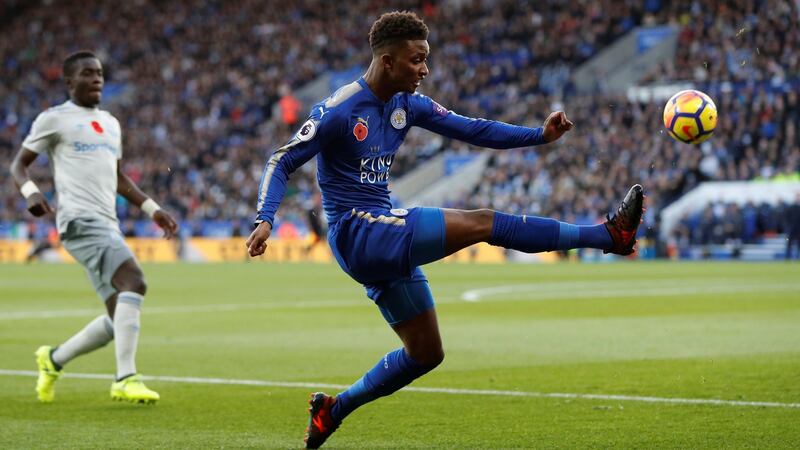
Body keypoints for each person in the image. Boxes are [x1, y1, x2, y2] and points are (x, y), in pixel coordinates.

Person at [246, 11, 644, 448]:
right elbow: (281, 159)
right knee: (484, 222)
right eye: (417, 60)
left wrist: (539, 136)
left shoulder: (407, 105)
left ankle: (333, 410)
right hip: (358, 231)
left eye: (425, 59)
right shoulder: (339, 110)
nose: (425, 69)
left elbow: (474, 129)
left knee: (426, 355)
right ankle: (607, 236)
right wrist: (265, 218)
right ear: (387, 61)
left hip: (382, 233)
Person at [9, 50, 178, 404]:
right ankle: (126, 378)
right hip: (78, 221)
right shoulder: (54, 119)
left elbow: (118, 178)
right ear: (70, 82)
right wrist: (31, 192)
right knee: (135, 280)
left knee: (119, 313)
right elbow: (18, 166)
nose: (97, 78)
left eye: (100, 73)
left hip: (107, 223)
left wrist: (152, 208)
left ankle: (52, 359)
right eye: (88, 73)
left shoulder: (111, 123)